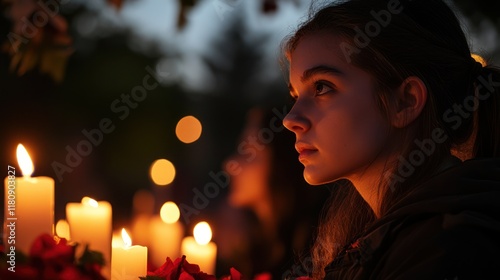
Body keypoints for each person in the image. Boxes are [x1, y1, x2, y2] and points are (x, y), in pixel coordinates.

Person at [281, 0, 500, 279]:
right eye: (295, 95)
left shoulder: (446, 251)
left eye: (322, 87)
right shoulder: (387, 235)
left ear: (405, 101)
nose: (290, 119)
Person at [215, 106, 330, 279]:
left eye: (248, 153)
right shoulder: (256, 249)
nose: (229, 164)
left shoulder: (315, 251)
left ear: (281, 164)